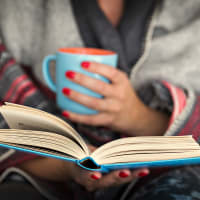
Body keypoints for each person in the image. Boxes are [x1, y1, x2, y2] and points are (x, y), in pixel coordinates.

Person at [0, 0, 200, 199]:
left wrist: (140, 117)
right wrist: (67, 164)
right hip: (44, 177)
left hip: (168, 175)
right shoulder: (16, 10)